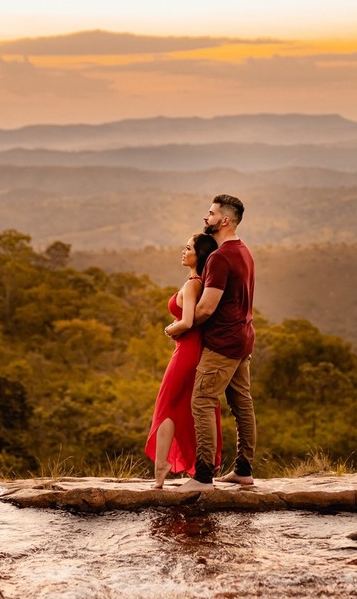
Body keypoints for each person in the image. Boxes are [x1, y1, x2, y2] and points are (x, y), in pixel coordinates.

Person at [171, 194, 257, 491]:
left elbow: (207, 308)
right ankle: (243, 470)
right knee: (242, 405)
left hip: (222, 343)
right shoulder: (243, 250)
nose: (205, 217)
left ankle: (203, 475)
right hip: (243, 339)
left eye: (211, 213)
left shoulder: (220, 258)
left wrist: (183, 326)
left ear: (225, 220)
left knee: (203, 401)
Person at [144, 233, 223, 487]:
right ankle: (188, 465)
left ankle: (162, 466)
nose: (183, 251)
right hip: (194, 350)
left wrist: (170, 329)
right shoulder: (199, 283)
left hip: (187, 352)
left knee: (166, 405)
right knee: (184, 408)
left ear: (198, 256)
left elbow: (188, 321)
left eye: (188, 248)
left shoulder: (192, 285)